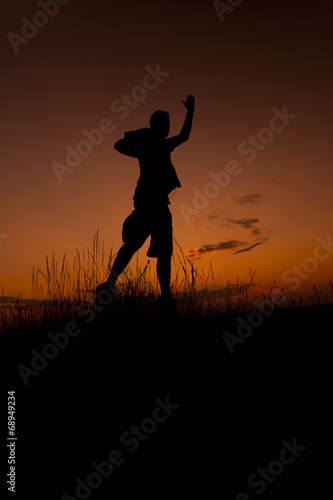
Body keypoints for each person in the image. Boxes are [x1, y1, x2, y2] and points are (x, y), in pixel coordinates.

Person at [95, 95, 195, 309]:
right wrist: (138, 153)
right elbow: (118, 144)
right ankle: (110, 284)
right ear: (156, 125)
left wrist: (190, 110)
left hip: (159, 202)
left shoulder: (165, 144)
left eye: (168, 125)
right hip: (147, 201)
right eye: (164, 124)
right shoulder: (146, 137)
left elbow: (184, 135)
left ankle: (165, 296)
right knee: (134, 244)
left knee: (163, 250)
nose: (167, 128)